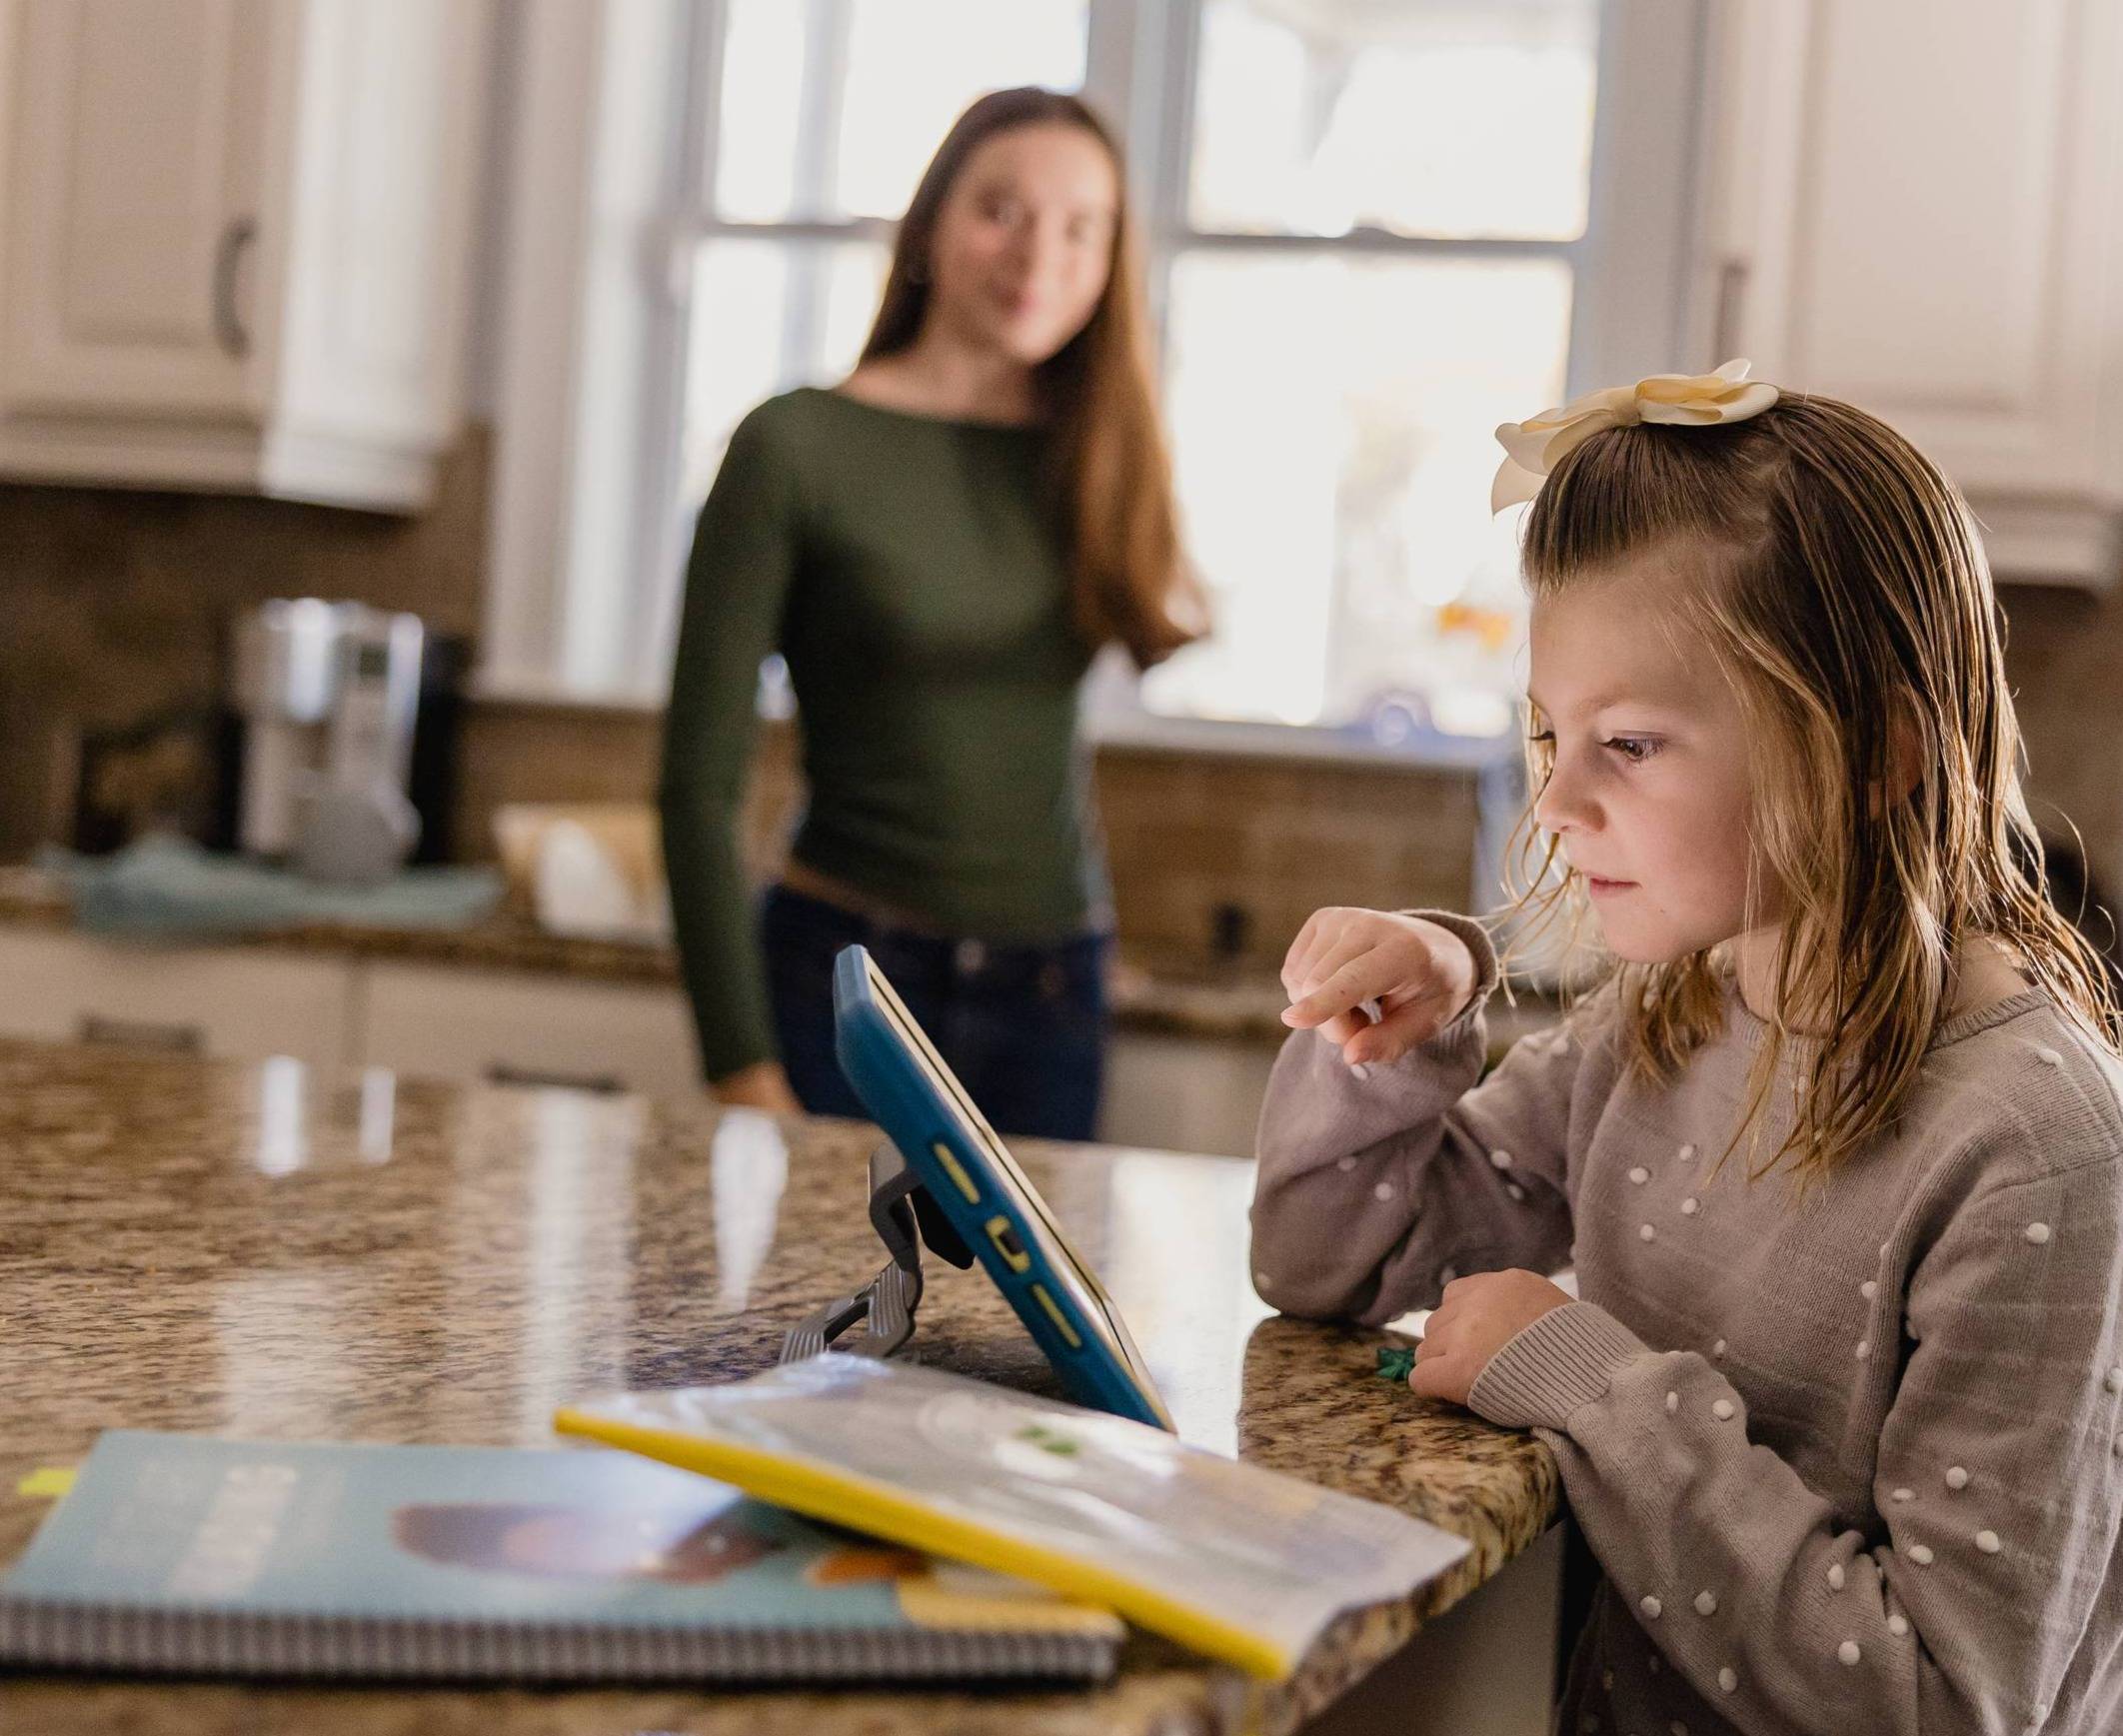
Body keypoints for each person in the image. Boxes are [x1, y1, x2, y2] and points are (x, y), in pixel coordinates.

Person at [1249, 364, 2123, 1735]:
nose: (1556, 800)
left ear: (1877, 752)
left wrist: (1587, 1382)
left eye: (1632, 743)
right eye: (1551, 733)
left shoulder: (2035, 1146)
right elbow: (1328, 1265)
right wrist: (1410, 1021)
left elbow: (1945, 1701)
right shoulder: (1668, 1019)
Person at [660, 87, 1200, 1137]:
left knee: (1030, 1264)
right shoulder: (793, 447)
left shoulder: (1101, 451)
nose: (1038, 256)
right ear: (929, 225)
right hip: (848, 984)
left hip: (1053, 990)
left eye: (1081, 228)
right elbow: (695, 788)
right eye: (1001, 210)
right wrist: (738, 1064)